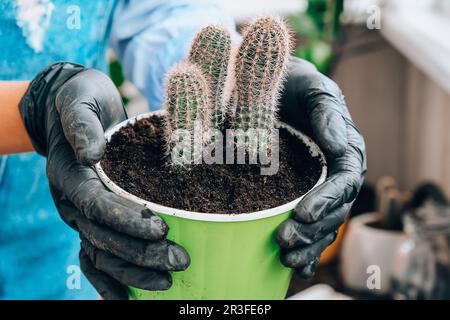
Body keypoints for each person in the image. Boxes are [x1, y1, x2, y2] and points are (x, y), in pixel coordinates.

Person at [0, 0, 366, 300]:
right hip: (69, 161)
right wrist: (32, 109)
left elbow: (162, 10)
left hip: (62, 244)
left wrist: (239, 79)